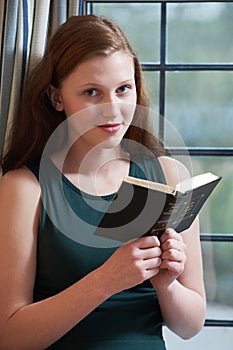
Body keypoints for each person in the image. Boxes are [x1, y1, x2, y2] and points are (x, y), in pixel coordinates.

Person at [0, 15, 206, 349]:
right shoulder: (25, 188)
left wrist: (166, 284)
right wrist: (107, 281)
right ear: (56, 98)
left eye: (123, 89)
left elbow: (190, 325)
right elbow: (8, 336)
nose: (113, 110)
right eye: (92, 92)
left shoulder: (170, 176)